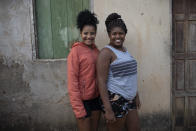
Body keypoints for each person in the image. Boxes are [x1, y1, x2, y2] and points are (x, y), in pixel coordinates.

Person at [96, 13, 141, 131]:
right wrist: (108, 109)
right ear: (109, 35)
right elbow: (101, 81)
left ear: (125, 34)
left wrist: (136, 94)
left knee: (135, 128)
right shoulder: (106, 53)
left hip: (130, 98)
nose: (118, 36)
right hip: (115, 100)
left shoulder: (125, 51)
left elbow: (130, 75)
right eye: (114, 34)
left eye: (121, 33)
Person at [67, 10, 101, 131]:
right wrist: (78, 108)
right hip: (83, 102)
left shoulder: (97, 51)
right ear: (81, 33)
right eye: (85, 33)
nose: (89, 36)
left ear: (95, 34)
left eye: (92, 33)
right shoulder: (75, 52)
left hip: (96, 99)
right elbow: (72, 82)